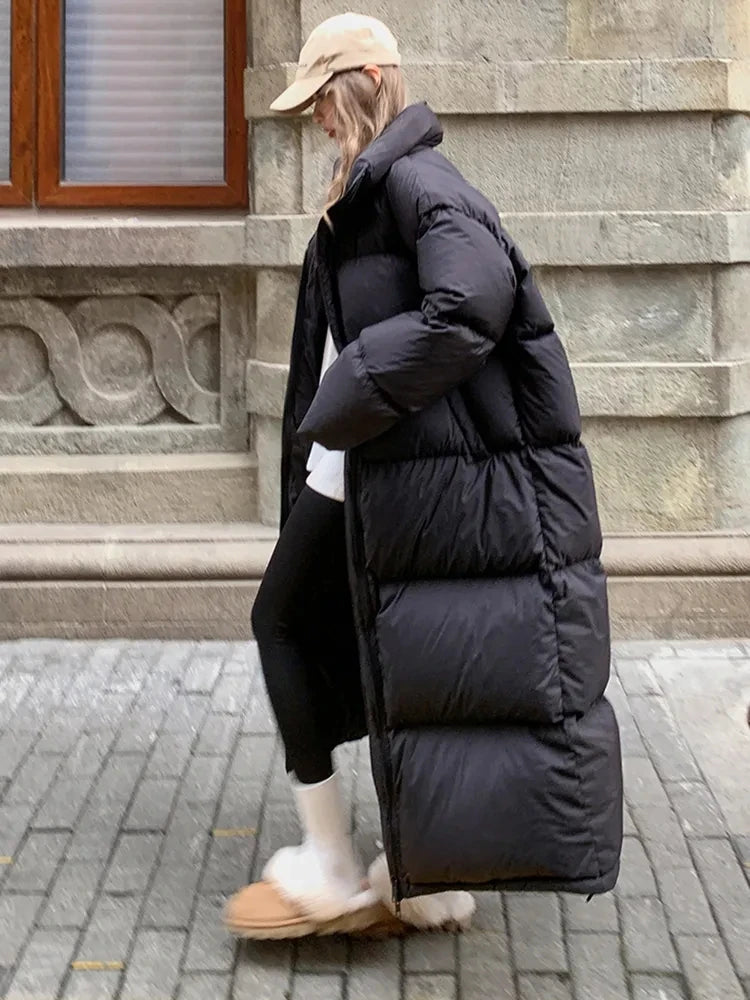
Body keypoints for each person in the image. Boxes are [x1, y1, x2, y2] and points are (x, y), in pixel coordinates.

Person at [225, 12, 623, 940]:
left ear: (351, 89)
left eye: (319, 102)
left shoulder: (414, 179)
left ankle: (330, 863)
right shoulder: (378, 182)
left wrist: (345, 400)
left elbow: (468, 305)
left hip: (369, 457)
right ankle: (427, 872)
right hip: (371, 463)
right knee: (392, 650)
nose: (316, 122)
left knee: (280, 619)